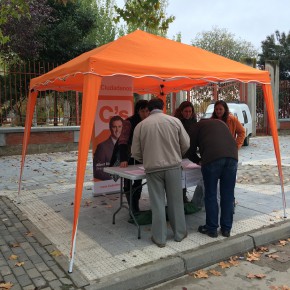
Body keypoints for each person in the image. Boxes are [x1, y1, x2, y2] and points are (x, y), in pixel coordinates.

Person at [132, 98, 190, 247]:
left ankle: (160, 238)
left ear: (149, 109)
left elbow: (135, 152)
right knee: (176, 202)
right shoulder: (174, 121)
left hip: (152, 168)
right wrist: (177, 154)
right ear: (163, 107)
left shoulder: (141, 126)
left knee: (157, 203)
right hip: (173, 166)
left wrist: (146, 159)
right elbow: (186, 143)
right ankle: (179, 233)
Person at [188, 118, 238, 238]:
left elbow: (189, 151)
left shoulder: (195, 127)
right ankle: (226, 229)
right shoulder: (221, 123)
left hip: (212, 159)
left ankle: (211, 228)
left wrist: (198, 160)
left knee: (211, 194)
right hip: (232, 157)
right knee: (228, 195)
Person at [113, 99, 149, 214]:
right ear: (137, 111)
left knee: (138, 181)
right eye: (142, 111)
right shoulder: (129, 122)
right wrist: (124, 159)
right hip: (128, 155)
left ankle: (135, 206)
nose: (145, 113)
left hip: (140, 155)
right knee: (128, 181)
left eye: (147, 111)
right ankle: (132, 208)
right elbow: (123, 141)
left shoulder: (148, 121)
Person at [174, 101, 197, 203]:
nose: (188, 113)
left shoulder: (194, 121)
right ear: (181, 111)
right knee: (181, 177)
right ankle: (182, 197)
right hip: (180, 152)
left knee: (187, 176)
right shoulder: (177, 122)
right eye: (186, 111)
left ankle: (184, 196)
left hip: (191, 151)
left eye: (190, 111)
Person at [93, 115, 123, 180]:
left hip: (126, 184)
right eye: (114, 127)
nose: (117, 130)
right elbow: (97, 171)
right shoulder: (102, 147)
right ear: (110, 128)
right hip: (110, 185)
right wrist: (116, 177)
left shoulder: (127, 144)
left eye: (119, 127)